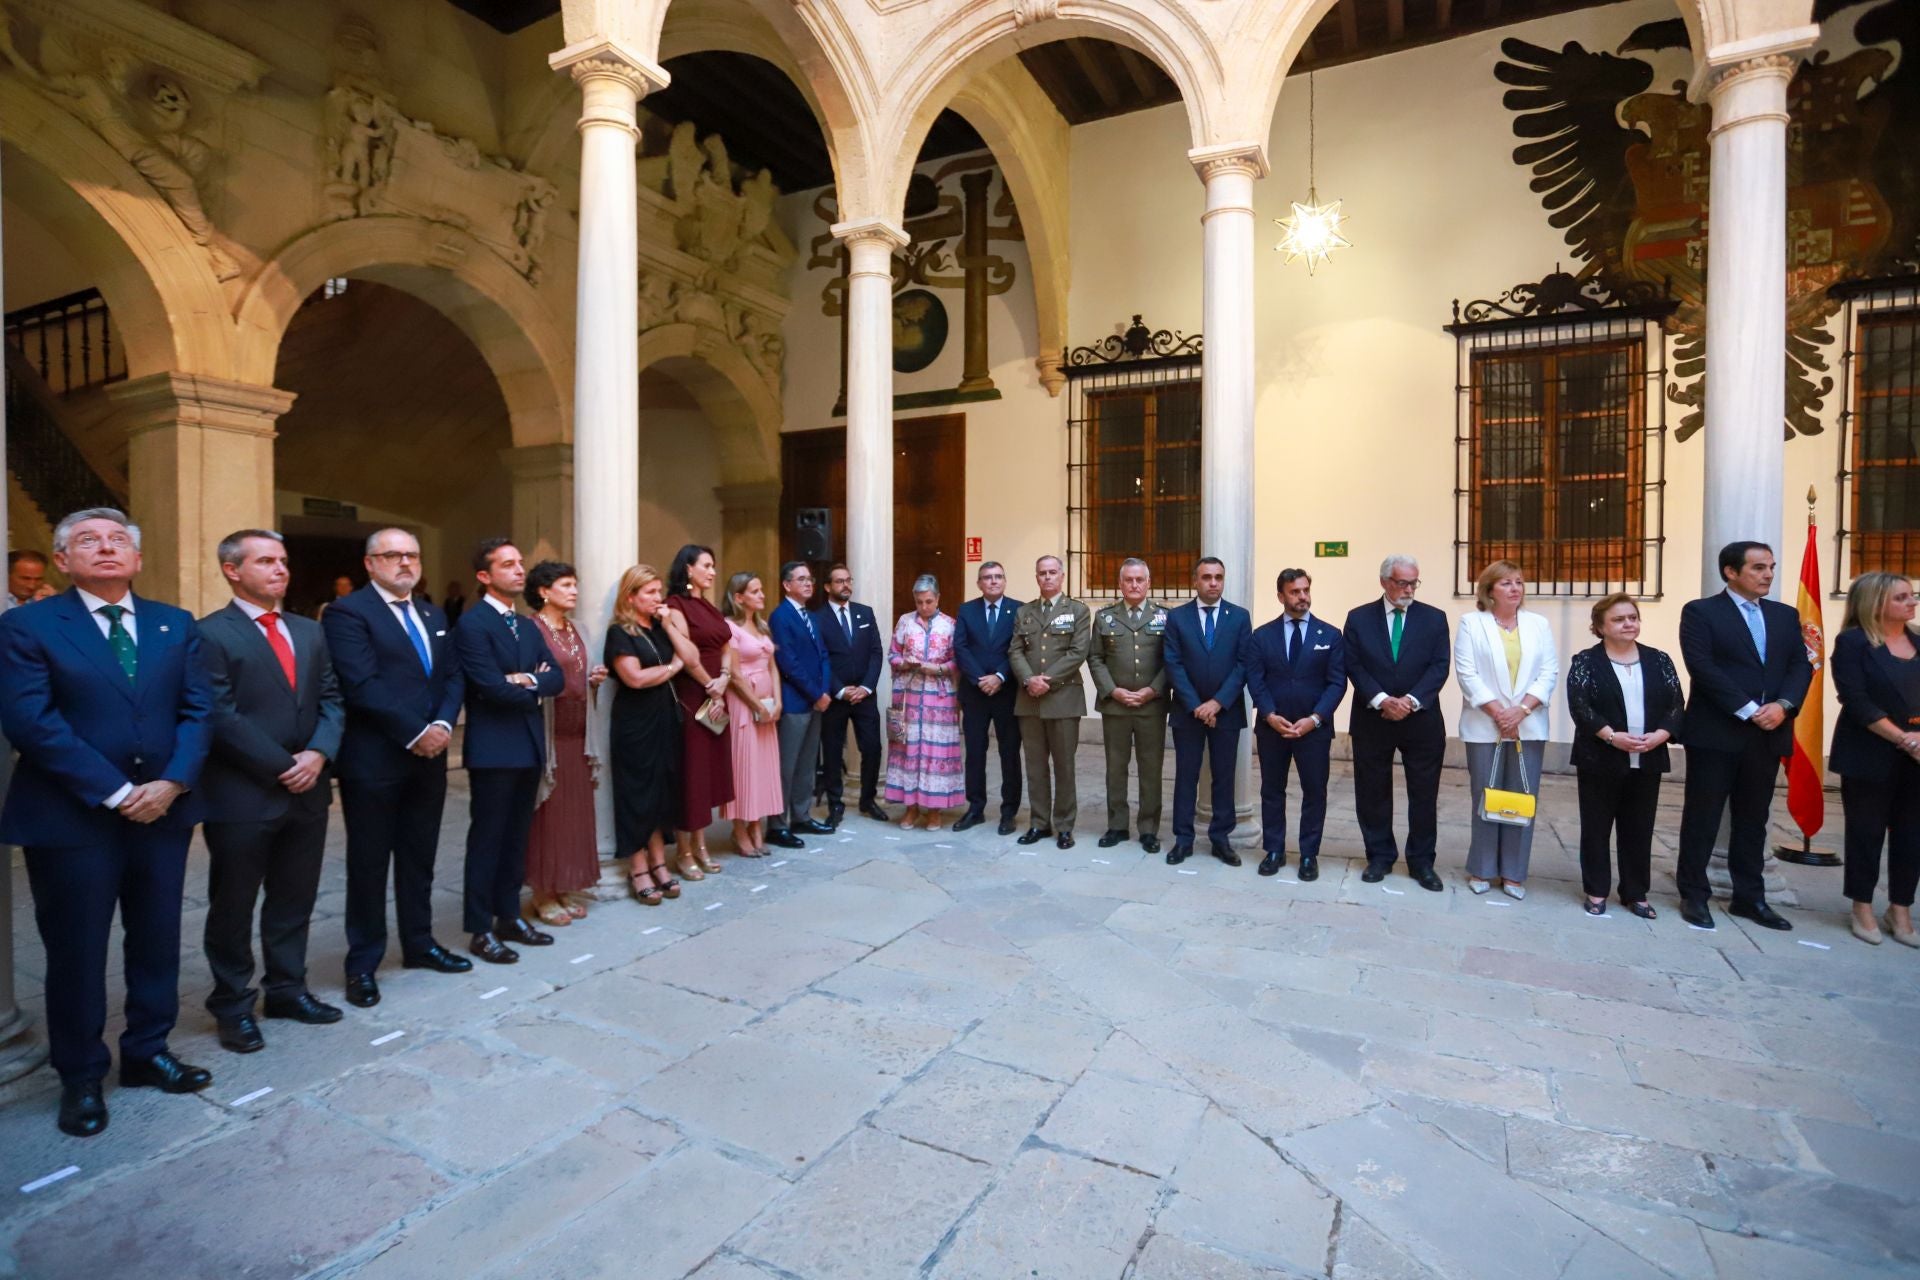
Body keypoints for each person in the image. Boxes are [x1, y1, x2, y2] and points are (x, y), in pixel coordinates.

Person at [0, 508, 214, 1137]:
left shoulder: (175, 624)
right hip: (72, 819)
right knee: (77, 950)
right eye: (87, 541)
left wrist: (172, 782)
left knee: (156, 939)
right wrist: (118, 792)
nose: (105, 547)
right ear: (63, 561)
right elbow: (32, 723)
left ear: (137, 558)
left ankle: (148, 1052)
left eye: (118, 539)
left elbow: (199, 709)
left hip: (164, 812)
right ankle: (82, 1074)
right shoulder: (28, 625)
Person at [198, 530, 345, 1056]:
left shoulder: (309, 631)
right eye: (266, 561)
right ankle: (234, 1005)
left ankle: (287, 990)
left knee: (293, 898)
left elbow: (331, 697)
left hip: (307, 792)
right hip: (242, 795)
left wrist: (319, 754)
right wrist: (285, 765)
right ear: (233, 570)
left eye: (283, 561)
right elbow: (219, 714)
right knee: (233, 906)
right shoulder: (209, 634)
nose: (280, 569)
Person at [323, 527, 472, 1010]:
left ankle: (420, 943)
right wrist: (416, 732)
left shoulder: (431, 613)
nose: (405, 563)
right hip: (376, 760)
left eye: (411, 555)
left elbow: (452, 675)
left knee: (419, 857)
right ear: (370, 564)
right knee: (369, 864)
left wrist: (445, 723)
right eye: (392, 556)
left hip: (429, 757)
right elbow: (361, 683)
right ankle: (363, 963)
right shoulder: (348, 613)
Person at [1676, 541, 1813, 931]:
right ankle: (1694, 894)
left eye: (1770, 566)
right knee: (1703, 817)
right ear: (1731, 572)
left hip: (1768, 734)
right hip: (1718, 733)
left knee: (1754, 819)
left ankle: (1750, 898)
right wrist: (1751, 710)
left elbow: (1800, 666)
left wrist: (1784, 706)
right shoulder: (1701, 612)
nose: (1768, 574)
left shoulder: (1786, 616)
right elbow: (1702, 666)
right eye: (1757, 568)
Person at [455, 539, 564, 963]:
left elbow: (555, 677)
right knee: (487, 840)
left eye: (520, 563)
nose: (520, 570)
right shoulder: (473, 624)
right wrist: (529, 687)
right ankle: (480, 929)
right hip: (493, 749)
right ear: (485, 576)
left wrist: (526, 682)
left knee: (516, 838)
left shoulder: (526, 625)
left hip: (528, 744)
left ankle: (508, 916)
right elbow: (490, 688)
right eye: (508, 565)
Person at [1565, 593, 1683, 919]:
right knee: (1596, 827)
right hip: (1600, 757)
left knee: (1639, 827)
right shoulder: (1586, 661)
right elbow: (1580, 706)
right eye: (1619, 619)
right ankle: (1596, 889)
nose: (1629, 623)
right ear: (1600, 626)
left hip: (1648, 756)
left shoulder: (1659, 660)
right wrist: (1612, 737)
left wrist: (1661, 735)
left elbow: (1676, 703)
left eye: (1632, 617)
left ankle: (1636, 892)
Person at [1342, 555, 1450, 891]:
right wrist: (1381, 700)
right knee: (1372, 791)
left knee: (1423, 793)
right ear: (1384, 581)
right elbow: (1353, 664)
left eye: (1413, 583)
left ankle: (1421, 862)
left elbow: (1439, 665)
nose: (1408, 589)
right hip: (1373, 718)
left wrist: (1411, 701)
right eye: (1401, 582)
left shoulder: (1434, 618)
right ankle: (1379, 855)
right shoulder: (1359, 618)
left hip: (1421, 719)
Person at [1454, 560, 1559, 899]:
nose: (1515, 588)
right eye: (1506, 583)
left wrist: (1522, 711)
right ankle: (1483, 868)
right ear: (1489, 590)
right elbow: (1467, 674)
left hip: (1528, 724)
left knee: (1520, 797)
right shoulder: (1472, 623)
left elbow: (1549, 672)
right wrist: (1500, 714)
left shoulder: (1538, 624)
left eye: (1519, 582)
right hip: (1485, 725)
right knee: (1485, 796)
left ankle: (1514, 873)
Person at [1828, 572, 1920, 947]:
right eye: (1901, 597)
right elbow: (1857, 699)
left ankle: (1900, 908)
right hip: (1870, 752)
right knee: (1866, 832)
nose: (1912, 602)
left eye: (1911, 596)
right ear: (1877, 603)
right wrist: (1903, 738)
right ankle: (1862, 905)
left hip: (1916, 755)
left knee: (1913, 835)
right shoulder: (1852, 643)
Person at [1244, 568, 1346, 881]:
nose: (1302, 597)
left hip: (1313, 730)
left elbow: (1337, 682)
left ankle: (1308, 854)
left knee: (1314, 791)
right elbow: (1255, 679)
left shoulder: (1329, 635)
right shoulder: (1262, 636)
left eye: (1305, 590)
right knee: (1272, 790)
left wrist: (1315, 719)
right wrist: (1269, 714)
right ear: (1281, 596)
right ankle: (1274, 850)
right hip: (1273, 728)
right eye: (1294, 592)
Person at [524, 560, 607, 927]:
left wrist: (595, 679)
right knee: (548, 814)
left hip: (578, 734)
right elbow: (528, 679)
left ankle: (563, 885)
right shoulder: (531, 629)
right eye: (566, 585)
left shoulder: (579, 629)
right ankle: (542, 892)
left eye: (575, 584)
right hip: (549, 735)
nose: (574, 591)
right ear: (544, 591)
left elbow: (579, 674)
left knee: (573, 813)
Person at [1163, 557, 1253, 866]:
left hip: (1226, 710)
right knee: (1186, 776)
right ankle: (1183, 839)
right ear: (1195, 581)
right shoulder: (1177, 617)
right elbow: (1172, 663)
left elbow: (1243, 664)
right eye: (1206, 577)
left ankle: (1221, 839)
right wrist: (1196, 705)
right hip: (1187, 711)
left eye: (1218, 577)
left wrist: (1217, 703)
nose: (1213, 582)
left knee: (1224, 776)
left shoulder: (1239, 617)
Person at [605, 565, 685, 905]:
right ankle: (638, 869)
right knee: (636, 795)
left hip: (665, 719)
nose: (658, 598)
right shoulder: (620, 634)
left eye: (658, 591)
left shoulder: (659, 628)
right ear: (631, 597)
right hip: (635, 725)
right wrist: (672, 668)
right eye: (650, 592)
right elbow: (634, 678)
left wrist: (671, 622)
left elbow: (690, 653)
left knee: (660, 794)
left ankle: (658, 863)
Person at [661, 543, 735, 878]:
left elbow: (726, 645)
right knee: (691, 773)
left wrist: (725, 679)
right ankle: (685, 851)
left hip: (718, 691)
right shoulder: (675, 606)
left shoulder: (708, 606)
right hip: (693, 695)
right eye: (706, 565)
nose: (712, 571)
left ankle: (702, 843)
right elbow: (686, 655)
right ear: (688, 569)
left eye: (713, 565)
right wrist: (710, 685)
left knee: (707, 775)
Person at [1086, 558, 1169, 853]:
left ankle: (1148, 829)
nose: (1134, 585)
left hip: (1151, 707)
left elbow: (1171, 659)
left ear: (1148, 583)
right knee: (1116, 768)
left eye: (1139, 580)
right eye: (1129, 580)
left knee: (1150, 769)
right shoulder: (1105, 617)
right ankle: (1117, 826)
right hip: (1116, 707)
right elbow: (1095, 657)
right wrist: (1112, 691)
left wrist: (1153, 690)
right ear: (1120, 584)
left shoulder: (1164, 617)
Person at [1009, 554, 1091, 848]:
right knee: (1035, 766)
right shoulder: (1025, 612)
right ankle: (1039, 823)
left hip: (1064, 699)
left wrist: (1046, 681)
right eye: (1042, 573)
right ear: (1036, 577)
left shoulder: (1078, 611)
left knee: (1064, 766)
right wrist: (1029, 679)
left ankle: (1065, 826)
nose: (1047, 577)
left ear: (1062, 576)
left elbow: (1078, 652)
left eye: (1052, 572)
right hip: (1029, 699)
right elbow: (1015, 650)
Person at [886, 575, 964, 827]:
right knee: (908, 750)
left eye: (929, 601)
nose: (924, 607)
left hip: (939, 699)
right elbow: (892, 654)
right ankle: (910, 807)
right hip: (909, 696)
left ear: (938, 598)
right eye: (919, 602)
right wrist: (905, 663)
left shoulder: (950, 625)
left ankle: (934, 810)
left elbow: (958, 661)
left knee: (935, 752)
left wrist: (938, 670)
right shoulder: (905, 622)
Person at [952, 560, 1023, 834]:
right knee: (975, 752)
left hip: (1007, 693)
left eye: (998, 577)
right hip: (975, 692)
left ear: (1004, 581)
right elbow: (960, 646)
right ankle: (976, 808)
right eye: (987, 577)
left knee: (1009, 753)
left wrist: (1000, 676)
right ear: (979, 583)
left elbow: (1020, 647)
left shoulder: (1018, 610)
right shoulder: (967, 610)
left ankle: (1009, 811)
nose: (993, 581)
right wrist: (980, 678)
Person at [817, 562, 888, 823]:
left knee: (872, 748)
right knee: (833, 752)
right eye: (839, 581)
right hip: (836, 698)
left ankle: (868, 800)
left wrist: (866, 687)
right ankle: (835, 803)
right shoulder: (818, 618)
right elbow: (820, 657)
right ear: (827, 587)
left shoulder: (864, 613)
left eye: (848, 580)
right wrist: (839, 690)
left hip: (865, 695)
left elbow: (876, 652)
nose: (846, 585)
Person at [769, 560, 833, 845]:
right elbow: (788, 663)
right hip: (796, 701)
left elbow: (823, 655)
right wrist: (815, 693)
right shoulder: (780, 617)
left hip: (816, 700)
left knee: (807, 763)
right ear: (787, 585)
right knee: (787, 765)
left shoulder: (811, 616)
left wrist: (824, 690)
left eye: (810, 579)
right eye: (802, 579)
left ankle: (801, 816)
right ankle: (777, 824)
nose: (809, 583)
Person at [720, 571, 784, 856]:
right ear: (738, 597)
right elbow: (733, 674)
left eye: (761, 590)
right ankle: (739, 829)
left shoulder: (763, 625)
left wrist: (777, 701)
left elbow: (772, 666)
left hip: (767, 703)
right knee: (743, 765)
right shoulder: (729, 628)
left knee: (762, 767)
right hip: (743, 702)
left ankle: (756, 824)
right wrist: (756, 705)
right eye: (755, 591)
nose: (762, 595)